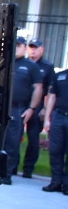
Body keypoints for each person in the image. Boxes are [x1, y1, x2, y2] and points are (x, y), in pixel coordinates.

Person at [3, 37, 43, 183]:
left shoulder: (31, 66)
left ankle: (6, 173)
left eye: (19, 45)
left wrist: (31, 108)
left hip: (17, 108)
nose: (15, 48)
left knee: (12, 142)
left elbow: (38, 88)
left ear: (24, 47)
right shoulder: (2, 62)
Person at [22, 39, 54, 178]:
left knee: (33, 138)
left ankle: (28, 169)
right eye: (31, 47)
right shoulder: (21, 63)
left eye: (36, 48)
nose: (33, 50)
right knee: (14, 136)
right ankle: (10, 167)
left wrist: (45, 108)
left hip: (39, 105)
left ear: (42, 49)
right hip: (22, 104)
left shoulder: (47, 66)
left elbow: (50, 89)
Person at [42, 65, 68, 194]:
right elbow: (51, 97)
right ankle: (56, 181)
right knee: (55, 150)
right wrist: (47, 118)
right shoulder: (60, 76)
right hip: (59, 116)